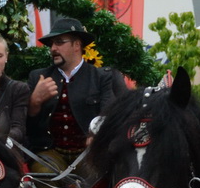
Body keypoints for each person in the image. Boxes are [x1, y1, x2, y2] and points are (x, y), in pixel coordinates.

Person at [25, 16, 125, 177]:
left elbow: (108, 113)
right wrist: (34, 102)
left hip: (87, 153)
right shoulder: (38, 77)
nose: (53, 48)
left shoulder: (100, 77)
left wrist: (95, 135)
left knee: (96, 177)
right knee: (45, 174)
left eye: (59, 42)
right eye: (52, 44)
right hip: (50, 153)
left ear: (77, 45)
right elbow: (26, 126)